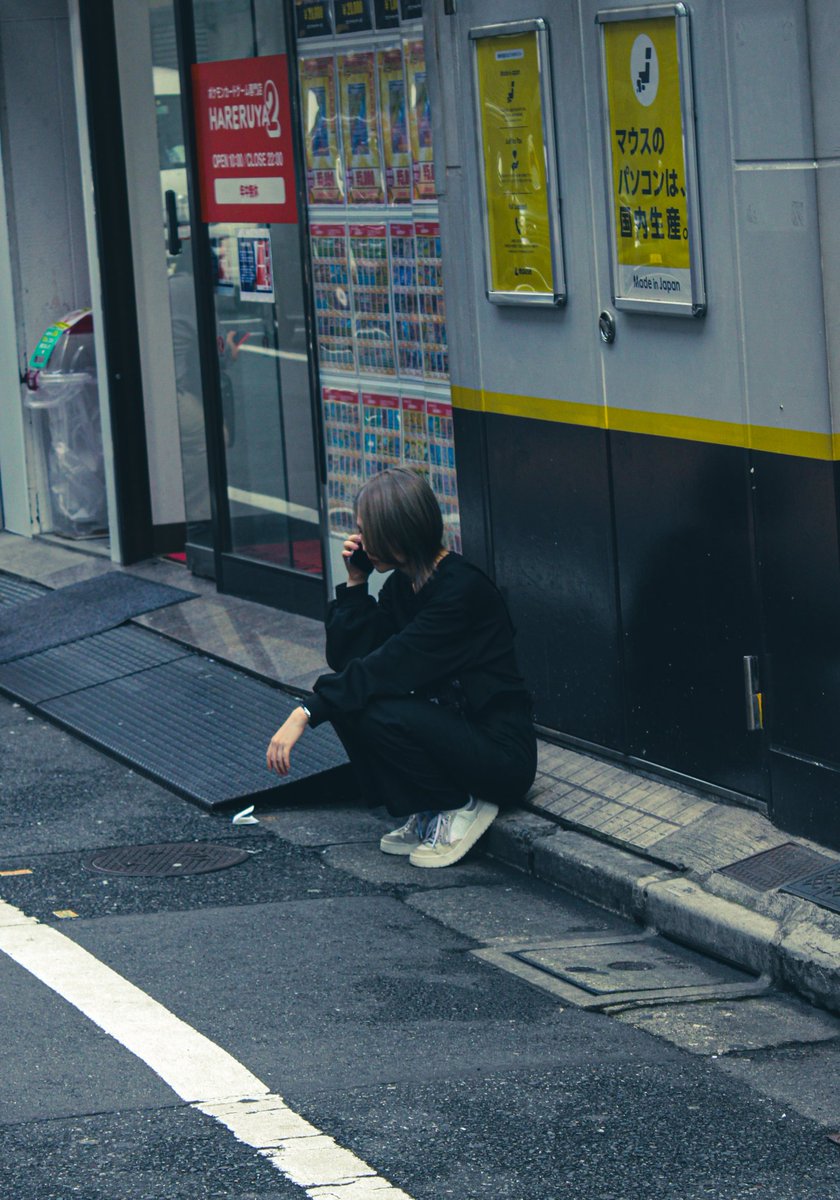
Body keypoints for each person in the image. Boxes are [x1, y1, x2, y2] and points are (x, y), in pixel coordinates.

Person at [266, 467, 537, 868]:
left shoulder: (459, 592)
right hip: (454, 735)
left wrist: (306, 711)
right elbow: (352, 661)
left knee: (373, 705)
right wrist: (356, 584)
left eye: (369, 532)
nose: (361, 541)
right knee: (356, 700)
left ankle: (456, 805)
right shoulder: (403, 585)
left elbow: (389, 666)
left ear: (401, 533)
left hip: (500, 757)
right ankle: (428, 806)